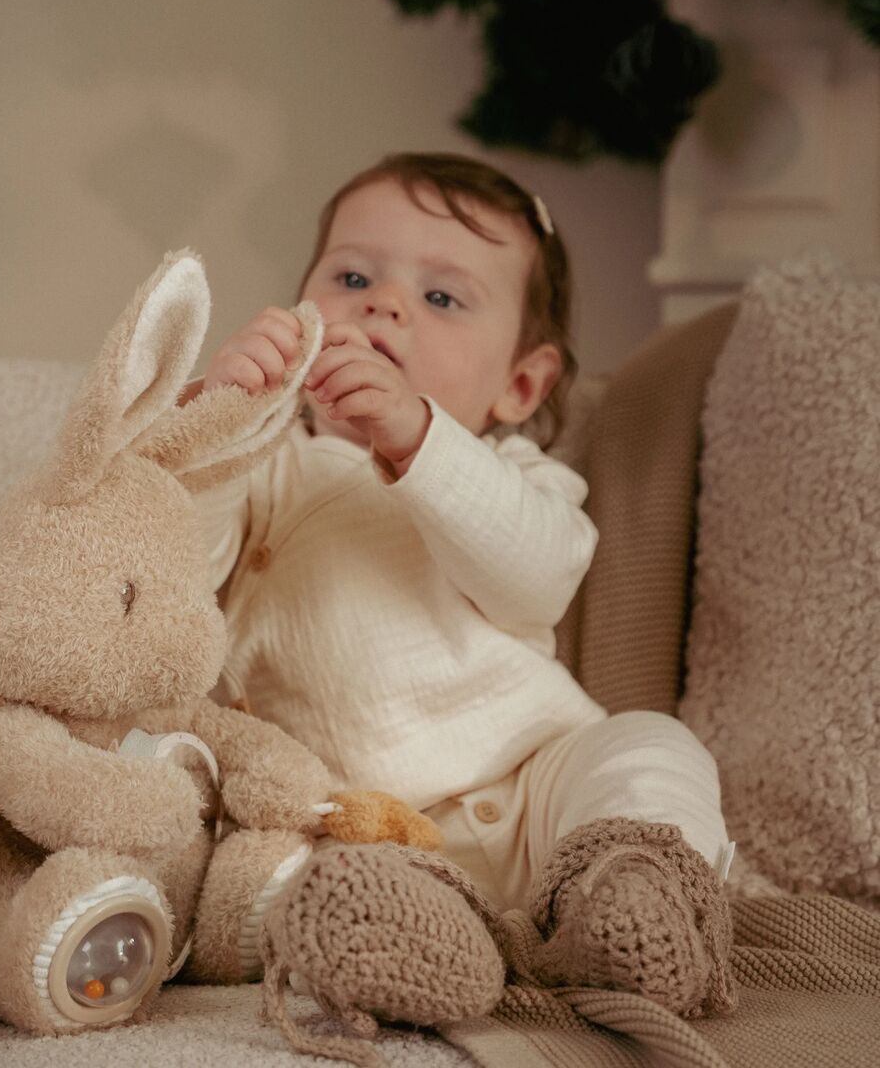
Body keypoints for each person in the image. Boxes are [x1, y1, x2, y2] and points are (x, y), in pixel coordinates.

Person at [189, 152, 737, 1017]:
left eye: (442, 298)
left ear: (521, 385)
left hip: (531, 796)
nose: (384, 304)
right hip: (347, 827)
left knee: (653, 749)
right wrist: (220, 428)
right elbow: (176, 576)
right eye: (353, 275)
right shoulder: (271, 469)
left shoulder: (511, 474)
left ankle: (636, 892)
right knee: (259, 877)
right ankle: (429, 948)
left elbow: (538, 575)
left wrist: (418, 437)